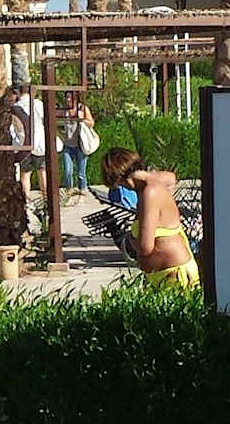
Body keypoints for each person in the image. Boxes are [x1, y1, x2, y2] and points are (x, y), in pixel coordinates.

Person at [100, 146, 197, 289]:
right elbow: (171, 177)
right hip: (164, 273)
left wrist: (129, 239)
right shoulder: (150, 185)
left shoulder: (150, 193)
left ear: (120, 178)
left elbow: (145, 247)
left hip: (174, 275)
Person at [57, 101, 98, 192]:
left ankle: (82, 189)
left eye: (70, 97)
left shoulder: (82, 108)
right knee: (67, 170)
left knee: (81, 172)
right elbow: (54, 117)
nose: (68, 100)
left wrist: (82, 119)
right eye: (67, 97)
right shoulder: (64, 109)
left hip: (80, 145)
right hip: (68, 145)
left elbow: (91, 123)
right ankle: (69, 189)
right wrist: (60, 133)